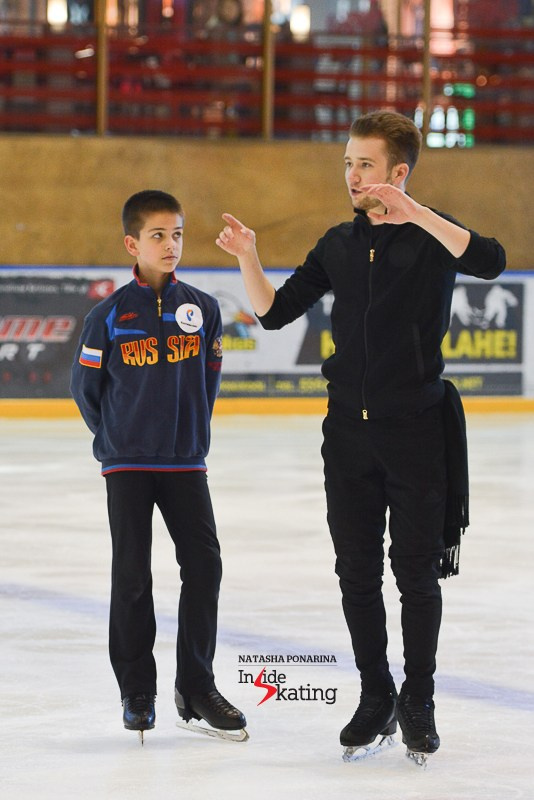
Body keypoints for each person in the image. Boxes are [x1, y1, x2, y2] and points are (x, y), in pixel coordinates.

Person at [215, 111, 506, 760]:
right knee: (355, 573)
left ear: (398, 173)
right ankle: (376, 695)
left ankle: (419, 700)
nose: (352, 175)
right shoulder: (337, 245)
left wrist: (418, 212)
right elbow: (272, 312)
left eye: (365, 165)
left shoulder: (434, 239)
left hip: (417, 431)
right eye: (347, 163)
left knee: (416, 575)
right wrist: (249, 257)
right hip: (347, 433)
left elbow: (492, 260)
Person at [71, 189, 247, 742]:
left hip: (185, 463)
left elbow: (209, 381)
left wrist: (190, 433)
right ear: (132, 243)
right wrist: (116, 437)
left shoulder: (205, 309)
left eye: (176, 234)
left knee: (205, 566)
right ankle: (137, 691)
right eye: (157, 236)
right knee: (132, 575)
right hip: (126, 464)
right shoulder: (108, 316)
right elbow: (85, 389)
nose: (170, 245)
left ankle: (195, 685)